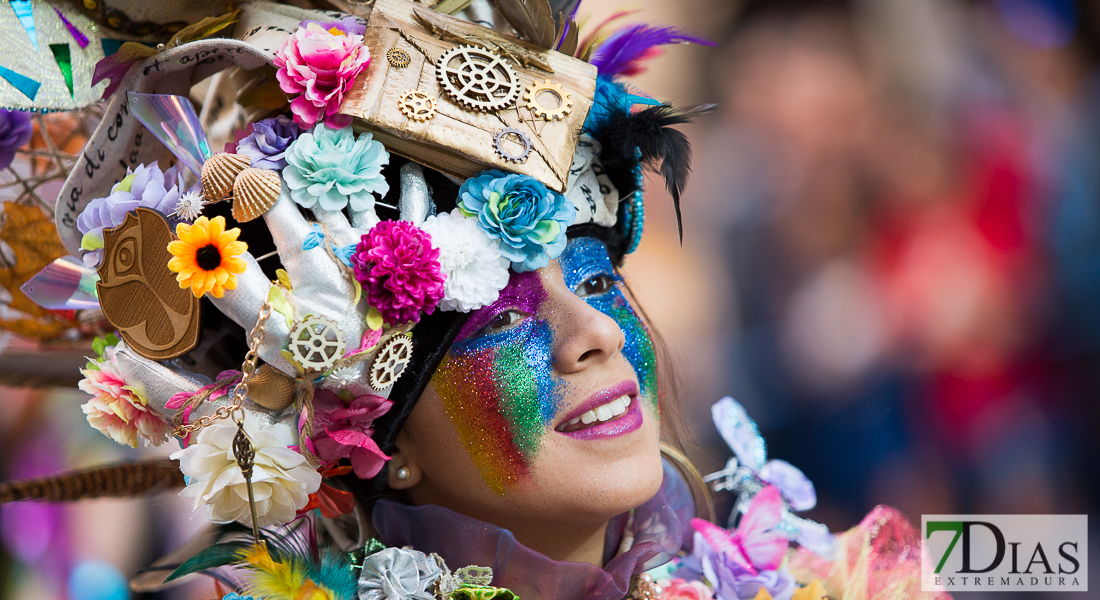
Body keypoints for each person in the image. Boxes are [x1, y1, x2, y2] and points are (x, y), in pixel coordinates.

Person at [0, 1, 948, 599]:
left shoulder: (811, 583)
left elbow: (1032, 552)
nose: (592, 337)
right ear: (381, 438)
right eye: (506, 323)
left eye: (595, 281)